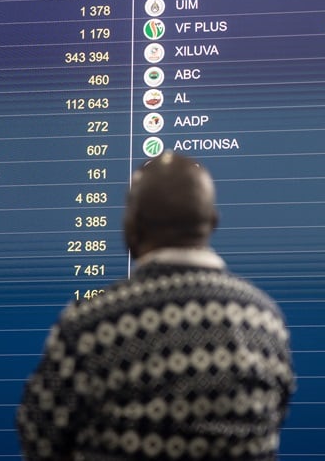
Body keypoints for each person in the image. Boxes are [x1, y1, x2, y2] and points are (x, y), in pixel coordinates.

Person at [17, 151, 295, 460]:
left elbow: (39, 436)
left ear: (131, 226)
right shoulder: (266, 321)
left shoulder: (92, 324)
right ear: (212, 222)